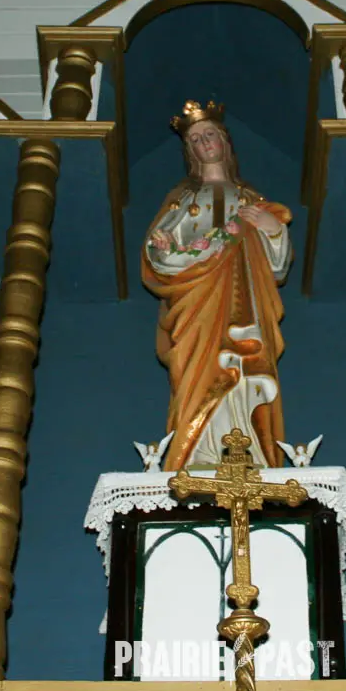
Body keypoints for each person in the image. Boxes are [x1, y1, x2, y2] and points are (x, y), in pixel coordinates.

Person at [142, 101, 292, 470]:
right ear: (189, 151)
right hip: (196, 300)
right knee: (198, 367)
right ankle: (197, 453)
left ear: (224, 141)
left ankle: (250, 451)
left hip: (246, 298)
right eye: (195, 139)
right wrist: (168, 248)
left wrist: (273, 230)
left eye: (210, 134)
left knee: (242, 365)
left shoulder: (251, 199)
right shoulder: (183, 199)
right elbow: (158, 254)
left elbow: (276, 268)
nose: (204, 142)